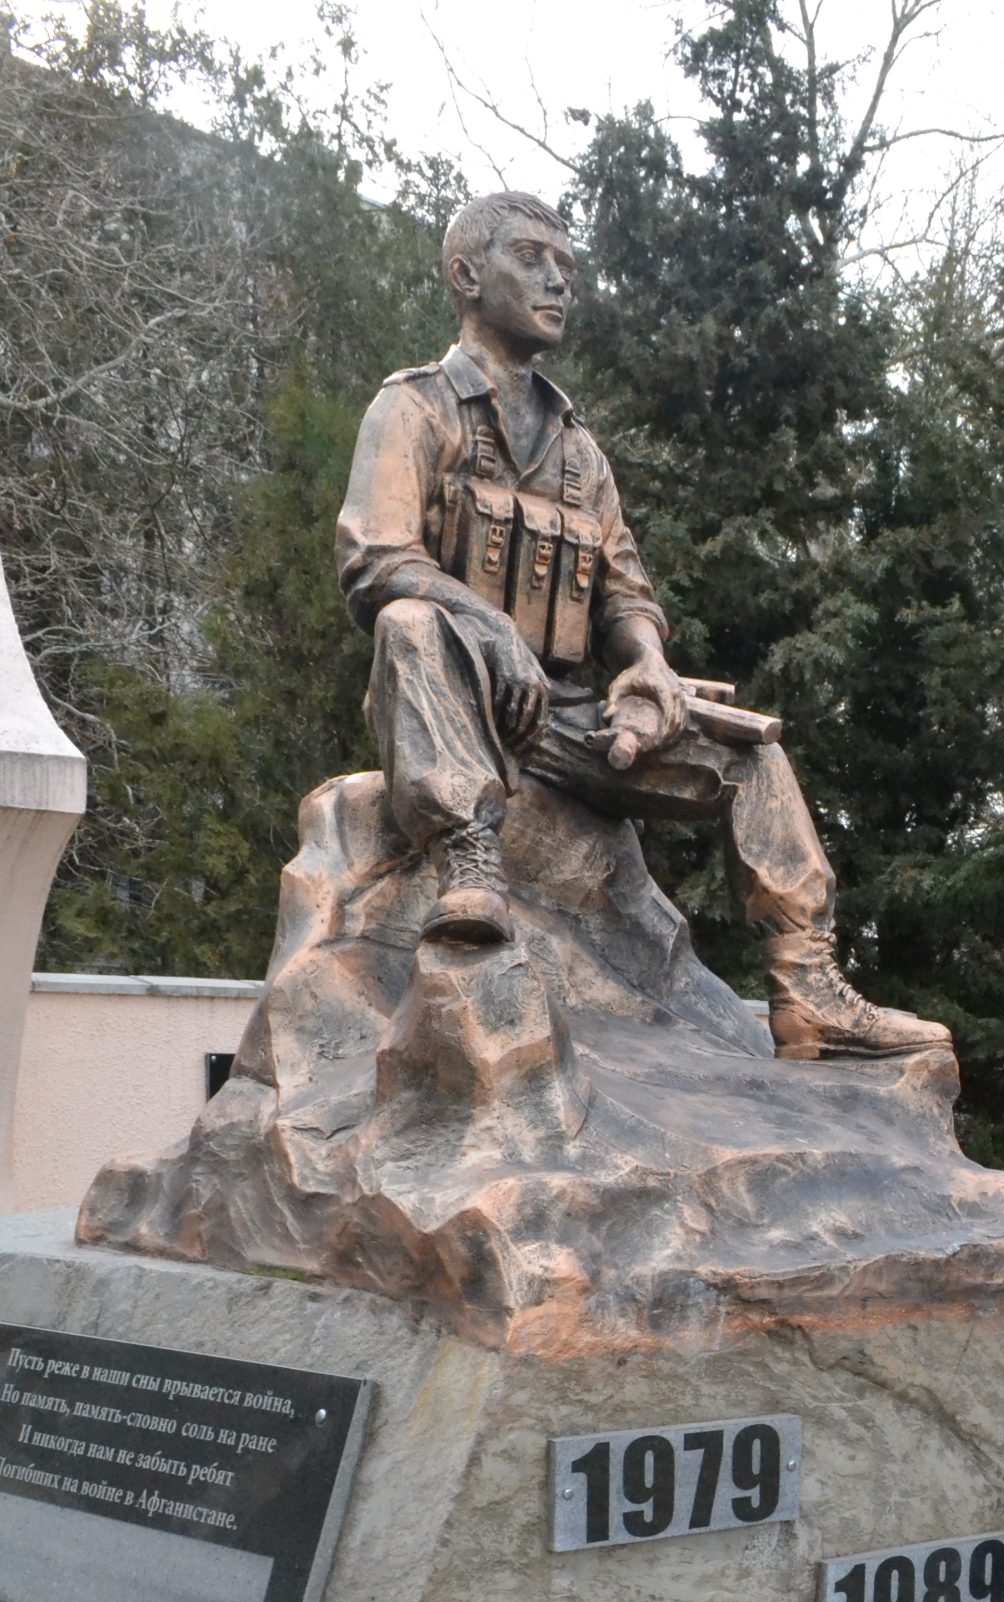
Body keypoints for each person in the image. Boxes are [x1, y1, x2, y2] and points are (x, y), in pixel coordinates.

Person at [334, 189, 951, 1064]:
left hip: (568, 719)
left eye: (566, 266)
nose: (558, 282)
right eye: (531, 260)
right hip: (455, 701)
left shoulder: (579, 450)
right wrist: (489, 628)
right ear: (466, 277)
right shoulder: (414, 408)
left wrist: (648, 667)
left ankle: (809, 991)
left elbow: (625, 593)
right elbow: (374, 557)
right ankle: (469, 862)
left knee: (750, 756)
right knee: (407, 621)